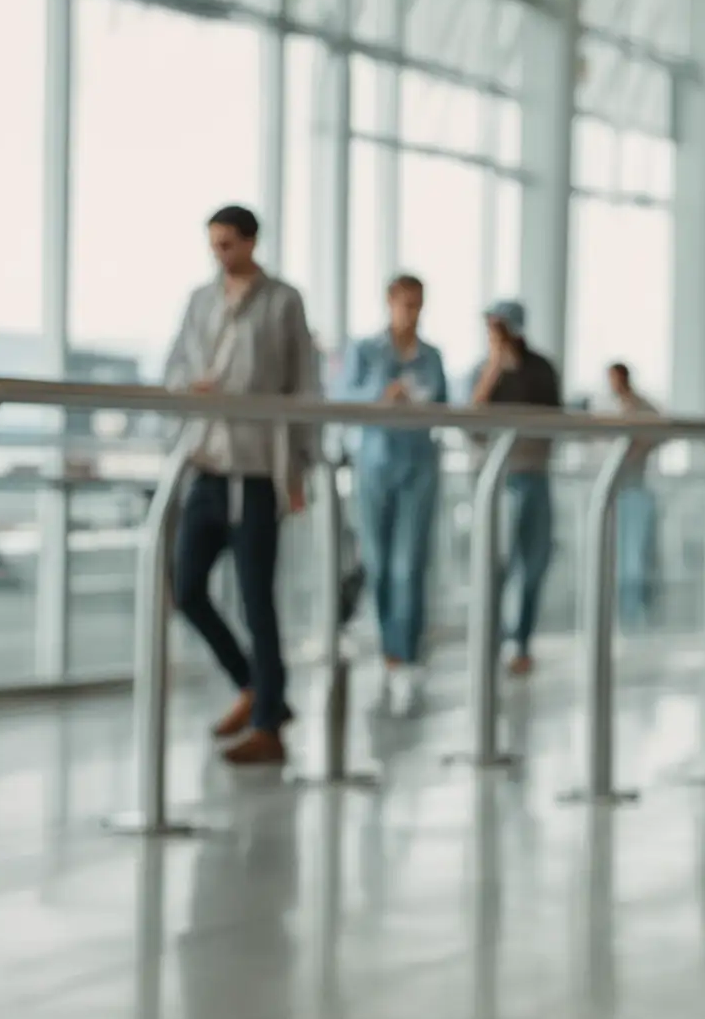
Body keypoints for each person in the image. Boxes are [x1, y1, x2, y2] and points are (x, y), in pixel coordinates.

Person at [161, 205, 321, 765]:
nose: (219, 253)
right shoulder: (201, 300)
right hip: (206, 462)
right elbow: (176, 366)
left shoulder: (283, 302)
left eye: (228, 243)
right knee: (186, 589)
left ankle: (267, 724)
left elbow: (303, 384)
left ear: (251, 242)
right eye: (213, 244)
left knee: (258, 600)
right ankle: (257, 689)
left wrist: (300, 467)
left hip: (256, 470)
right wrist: (191, 389)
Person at [339, 274, 447, 708]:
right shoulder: (366, 351)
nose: (412, 313)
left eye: (418, 305)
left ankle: (406, 650)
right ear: (389, 303)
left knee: (409, 564)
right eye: (405, 304)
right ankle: (389, 646)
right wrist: (382, 394)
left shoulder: (432, 356)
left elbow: (442, 402)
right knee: (380, 563)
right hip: (375, 463)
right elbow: (343, 396)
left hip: (419, 464)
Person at [470, 300, 562, 676]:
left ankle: (521, 642)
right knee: (496, 564)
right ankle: (490, 640)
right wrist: (495, 367)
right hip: (497, 481)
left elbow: (551, 423)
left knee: (533, 564)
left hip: (534, 476)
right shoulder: (482, 371)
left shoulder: (540, 368)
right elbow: (472, 427)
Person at [597, 362, 660, 625]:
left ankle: (634, 613)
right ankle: (614, 611)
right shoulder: (606, 407)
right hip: (610, 491)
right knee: (611, 555)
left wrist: (635, 448)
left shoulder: (642, 407)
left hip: (634, 489)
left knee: (634, 556)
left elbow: (658, 433)